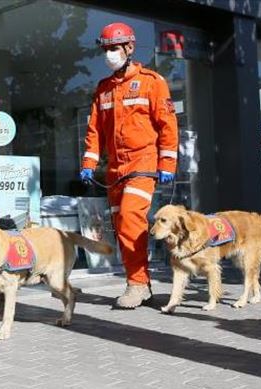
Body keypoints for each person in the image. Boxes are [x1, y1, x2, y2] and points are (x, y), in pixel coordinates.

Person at [79, 22, 178, 309]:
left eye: (114, 48)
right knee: (121, 226)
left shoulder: (152, 82)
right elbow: (95, 131)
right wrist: (89, 162)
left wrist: (167, 163)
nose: (109, 54)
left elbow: (167, 125)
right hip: (115, 169)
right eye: (106, 49)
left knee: (130, 217)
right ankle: (139, 282)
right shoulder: (104, 89)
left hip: (142, 162)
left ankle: (137, 284)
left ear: (130, 47)